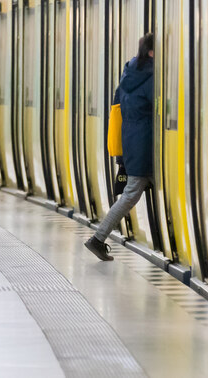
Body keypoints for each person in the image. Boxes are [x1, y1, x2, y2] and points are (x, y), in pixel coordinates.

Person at [85, 34, 154, 261]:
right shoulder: (152, 77)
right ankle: (97, 239)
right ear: (152, 52)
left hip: (132, 141)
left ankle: (98, 239)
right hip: (145, 145)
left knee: (131, 193)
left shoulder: (129, 74)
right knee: (130, 194)